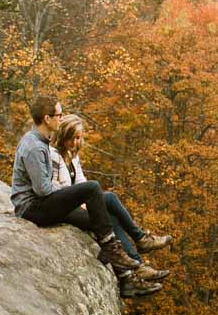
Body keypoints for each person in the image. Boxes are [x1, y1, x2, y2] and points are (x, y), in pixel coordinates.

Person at [9, 94, 161, 299]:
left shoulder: (38, 141)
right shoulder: (35, 147)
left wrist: (74, 200)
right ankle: (114, 249)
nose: (61, 119)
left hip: (40, 205)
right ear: (47, 118)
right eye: (59, 115)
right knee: (92, 188)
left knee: (101, 217)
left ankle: (127, 279)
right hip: (32, 208)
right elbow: (43, 190)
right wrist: (74, 199)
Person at [50, 113, 172, 283]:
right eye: (72, 138)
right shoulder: (53, 155)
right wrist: (81, 202)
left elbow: (81, 182)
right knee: (108, 214)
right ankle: (139, 258)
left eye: (78, 138)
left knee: (109, 198)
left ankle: (140, 244)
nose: (75, 142)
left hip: (76, 203)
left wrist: (86, 201)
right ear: (63, 135)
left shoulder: (73, 156)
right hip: (64, 208)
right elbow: (54, 187)